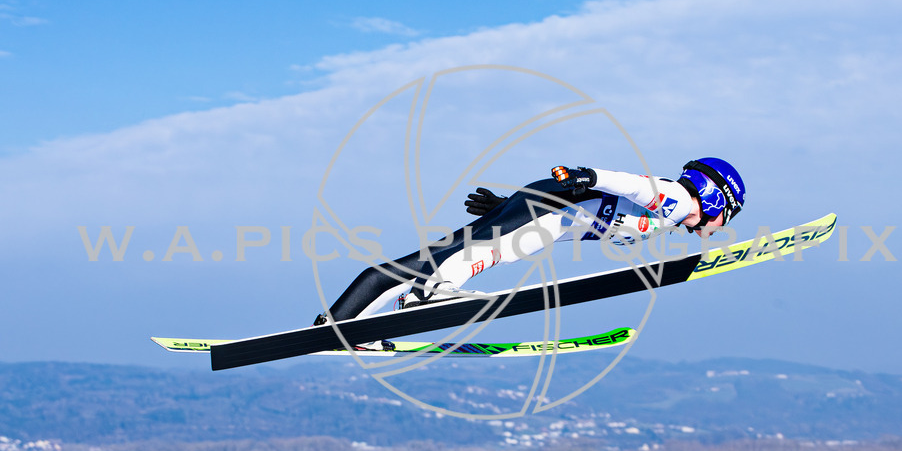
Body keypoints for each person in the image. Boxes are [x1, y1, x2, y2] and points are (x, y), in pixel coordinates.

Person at [313, 158, 745, 347]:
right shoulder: (678, 202)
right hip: (551, 207)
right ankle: (429, 294)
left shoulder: (670, 216)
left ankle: (338, 323)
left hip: (546, 212)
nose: (722, 225)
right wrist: (589, 175)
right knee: (487, 253)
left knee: (422, 262)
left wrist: (506, 206)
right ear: (715, 197)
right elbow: (631, 185)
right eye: (728, 214)